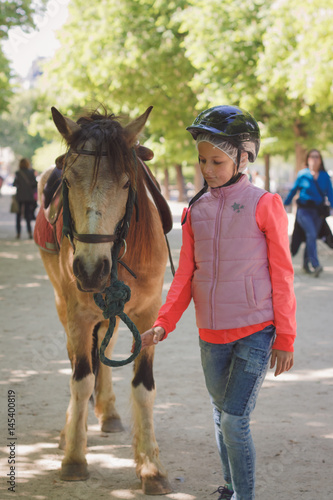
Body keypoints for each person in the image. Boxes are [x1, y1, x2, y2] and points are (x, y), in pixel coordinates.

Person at [139, 105, 296, 500]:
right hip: (211, 332)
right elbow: (185, 276)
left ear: (244, 157)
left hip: (257, 330)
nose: (208, 169)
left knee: (233, 419)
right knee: (220, 411)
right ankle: (229, 486)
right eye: (203, 160)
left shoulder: (265, 204)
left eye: (218, 161)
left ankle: (245, 495)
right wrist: (164, 322)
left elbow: (282, 274)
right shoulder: (196, 210)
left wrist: (285, 338)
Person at [284, 149, 333, 277]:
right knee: (311, 234)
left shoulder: (324, 176)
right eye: (312, 156)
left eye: (317, 157)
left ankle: (306, 265)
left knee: (310, 237)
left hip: (318, 212)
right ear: (308, 159)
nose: (314, 159)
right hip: (304, 211)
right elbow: (293, 191)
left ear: (320, 159)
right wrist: (283, 204)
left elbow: (330, 194)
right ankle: (316, 265)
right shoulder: (302, 174)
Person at [13, 158, 37, 239]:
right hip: (28, 197)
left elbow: (14, 184)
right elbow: (34, 184)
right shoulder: (31, 172)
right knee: (28, 215)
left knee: (18, 215)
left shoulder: (18, 173)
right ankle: (30, 233)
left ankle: (18, 233)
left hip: (19, 196)